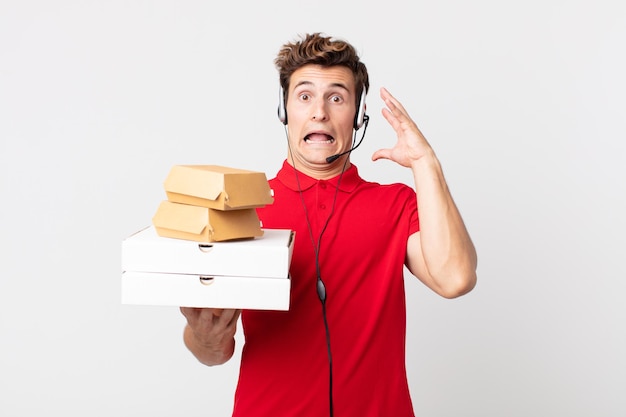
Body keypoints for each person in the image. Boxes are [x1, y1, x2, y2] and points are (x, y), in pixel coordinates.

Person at [180, 33, 477, 417]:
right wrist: (203, 338)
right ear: (284, 111)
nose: (319, 111)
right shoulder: (242, 211)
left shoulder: (397, 204)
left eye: (336, 97)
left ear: (357, 115)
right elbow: (215, 351)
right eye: (305, 96)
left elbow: (455, 278)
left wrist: (426, 163)